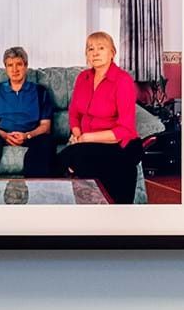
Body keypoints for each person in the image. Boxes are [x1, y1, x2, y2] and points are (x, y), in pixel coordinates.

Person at [57, 31, 144, 204]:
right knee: (67, 158)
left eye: (101, 48)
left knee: (70, 157)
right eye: (90, 49)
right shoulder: (83, 77)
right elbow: (74, 112)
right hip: (87, 144)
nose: (95, 53)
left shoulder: (123, 80)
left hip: (120, 145)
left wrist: (86, 138)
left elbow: (125, 129)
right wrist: (76, 133)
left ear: (112, 52)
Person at [0, 46, 57, 177]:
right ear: (5, 68)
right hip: (1, 135)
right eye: (10, 65)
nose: (14, 69)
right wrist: (4, 135)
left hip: (31, 136)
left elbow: (46, 126)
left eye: (19, 64)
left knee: (47, 141)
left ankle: (35, 190)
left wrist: (27, 135)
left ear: (26, 66)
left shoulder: (40, 91)